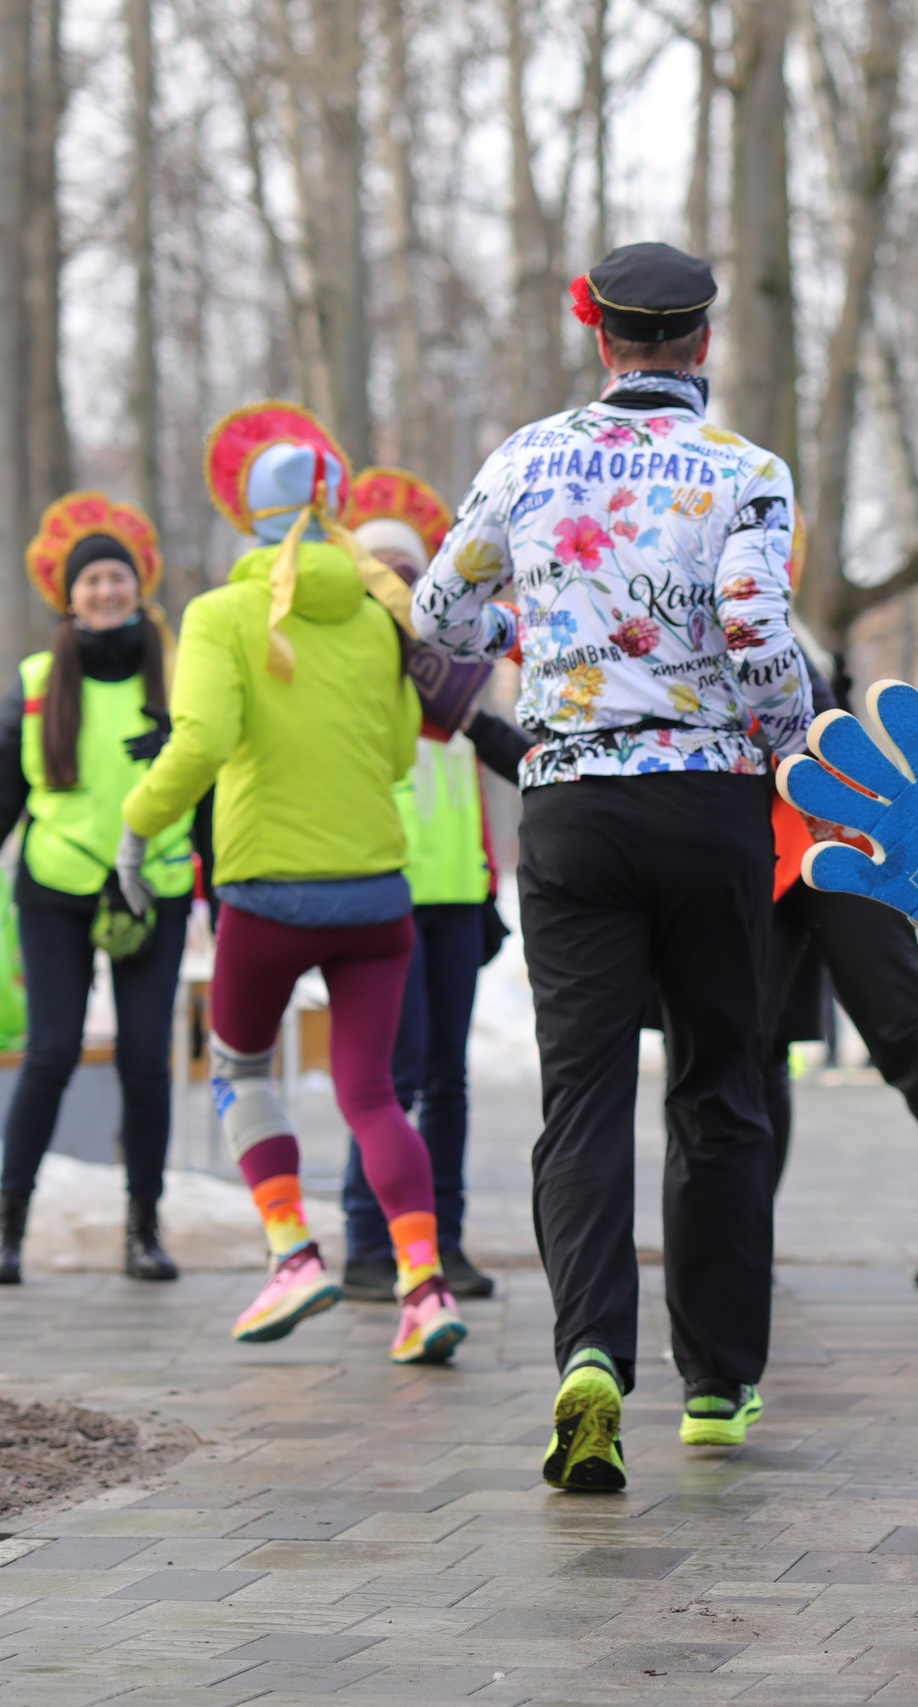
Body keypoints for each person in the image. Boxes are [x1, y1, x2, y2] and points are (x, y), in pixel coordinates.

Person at [413, 242, 813, 1489]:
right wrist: (791, 740)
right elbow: (754, 633)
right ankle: (717, 1384)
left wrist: (515, 636)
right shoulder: (745, 472)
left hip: (572, 803)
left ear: (602, 340)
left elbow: (438, 614)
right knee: (718, 1089)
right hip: (708, 805)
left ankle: (589, 1353)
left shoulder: (526, 458)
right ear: (701, 343)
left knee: (580, 1095)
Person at [119, 402, 463, 1368]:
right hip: (376, 895)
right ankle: (424, 1285)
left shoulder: (222, 615)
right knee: (372, 1096)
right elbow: (401, 750)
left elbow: (205, 741)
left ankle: (291, 1252)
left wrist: (137, 825)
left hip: (267, 892)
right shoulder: (376, 612)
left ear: (249, 515)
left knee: (241, 1069)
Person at [0, 492, 193, 1285]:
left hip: (154, 887)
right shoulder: (38, 682)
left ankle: (144, 1228)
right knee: (52, 1052)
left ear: (139, 589)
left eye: (118, 578)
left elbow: (213, 782)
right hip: (58, 887)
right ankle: (7, 1228)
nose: (106, 591)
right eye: (92, 580)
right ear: (69, 597)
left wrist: (234, 882)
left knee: (145, 1060)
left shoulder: (177, 675)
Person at [332, 475, 534, 1305]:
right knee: (393, 1072)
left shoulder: (453, 679)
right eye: (379, 567)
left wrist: (487, 888)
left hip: (454, 898)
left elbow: (475, 794)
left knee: (447, 1075)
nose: (395, 581)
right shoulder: (348, 673)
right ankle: (368, 1240)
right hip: (382, 893)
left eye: (409, 570)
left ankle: (443, 1239)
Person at [758, 661, 918, 1292]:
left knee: (905, 1034)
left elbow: (818, 717)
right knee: (749, 1056)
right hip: (748, 853)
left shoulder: (765, 616)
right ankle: (737, 1242)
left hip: (839, 844)